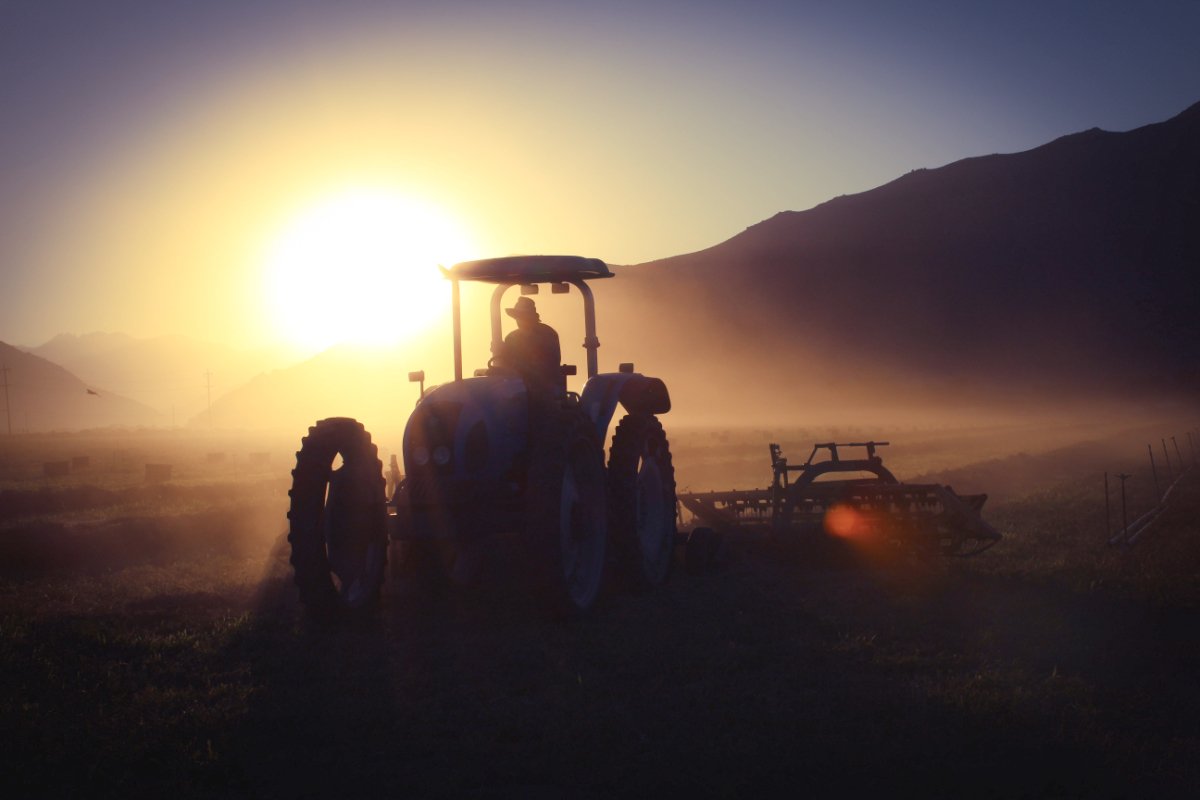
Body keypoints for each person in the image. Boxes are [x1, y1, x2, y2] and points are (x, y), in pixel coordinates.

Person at [496, 296, 562, 396]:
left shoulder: (547, 334)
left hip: (542, 388)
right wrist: (499, 353)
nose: (519, 320)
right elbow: (505, 362)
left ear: (531, 317)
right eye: (517, 317)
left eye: (523, 316)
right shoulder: (511, 337)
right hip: (516, 386)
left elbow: (547, 366)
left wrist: (517, 368)